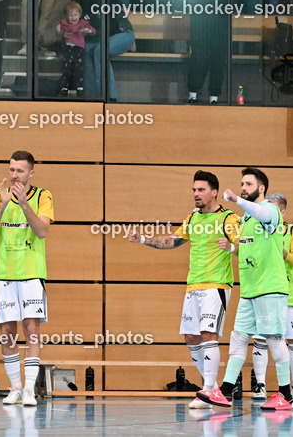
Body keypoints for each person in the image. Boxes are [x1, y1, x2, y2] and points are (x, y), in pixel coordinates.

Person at [127, 170, 240, 408]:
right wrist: (142, 239)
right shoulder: (192, 218)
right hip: (193, 285)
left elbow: (247, 246)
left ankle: (208, 390)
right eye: (194, 190)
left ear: (214, 192)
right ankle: (213, 387)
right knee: (191, 337)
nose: (196, 194)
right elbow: (173, 241)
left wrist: (231, 246)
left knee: (209, 334)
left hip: (216, 285)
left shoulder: (229, 218)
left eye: (201, 190)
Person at [197, 168, 293, 410]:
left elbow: (262, 212)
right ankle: (225, 391)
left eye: (248, 184)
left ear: (261, 189)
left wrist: (237, 200)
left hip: (270, 289)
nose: (243, 188)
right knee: (239, 337)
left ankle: (286, 395)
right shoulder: (247, 220)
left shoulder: (271, 210)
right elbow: (248, 248)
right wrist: (232, 249)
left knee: (273, 339)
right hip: (250, 291)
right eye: (242, 184)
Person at [0, 150, 54, 407]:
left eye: (20, 171)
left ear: (31, 173)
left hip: (32, 274)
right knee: (7, 332)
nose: (14, 175)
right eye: (11, 169)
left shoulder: (43, 196)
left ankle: (30, 389)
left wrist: (23, 204)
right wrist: (3, 203)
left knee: (31, 329)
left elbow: (42, 231)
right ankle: (15, 388)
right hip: (5, 274)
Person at [250, 193, 293, 401]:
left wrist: (277, 248)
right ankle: (260, 385)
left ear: (283, 212)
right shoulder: (259, 230)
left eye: (274, 209)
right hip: (266, 292)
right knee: (260, 339)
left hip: (291, 295)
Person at [56, 0, 95, 97]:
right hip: (68, 47)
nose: (73, 17)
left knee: (79, 68)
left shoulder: (83, 23)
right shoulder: (65, 23)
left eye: (75, 15)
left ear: (80, 14)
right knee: (66, 68)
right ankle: (64, 88)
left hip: (79, 48)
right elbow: (59, 31)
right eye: (70, 15)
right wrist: (59, 31)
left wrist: (88, 31)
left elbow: (93, 30)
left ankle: (80, 88)